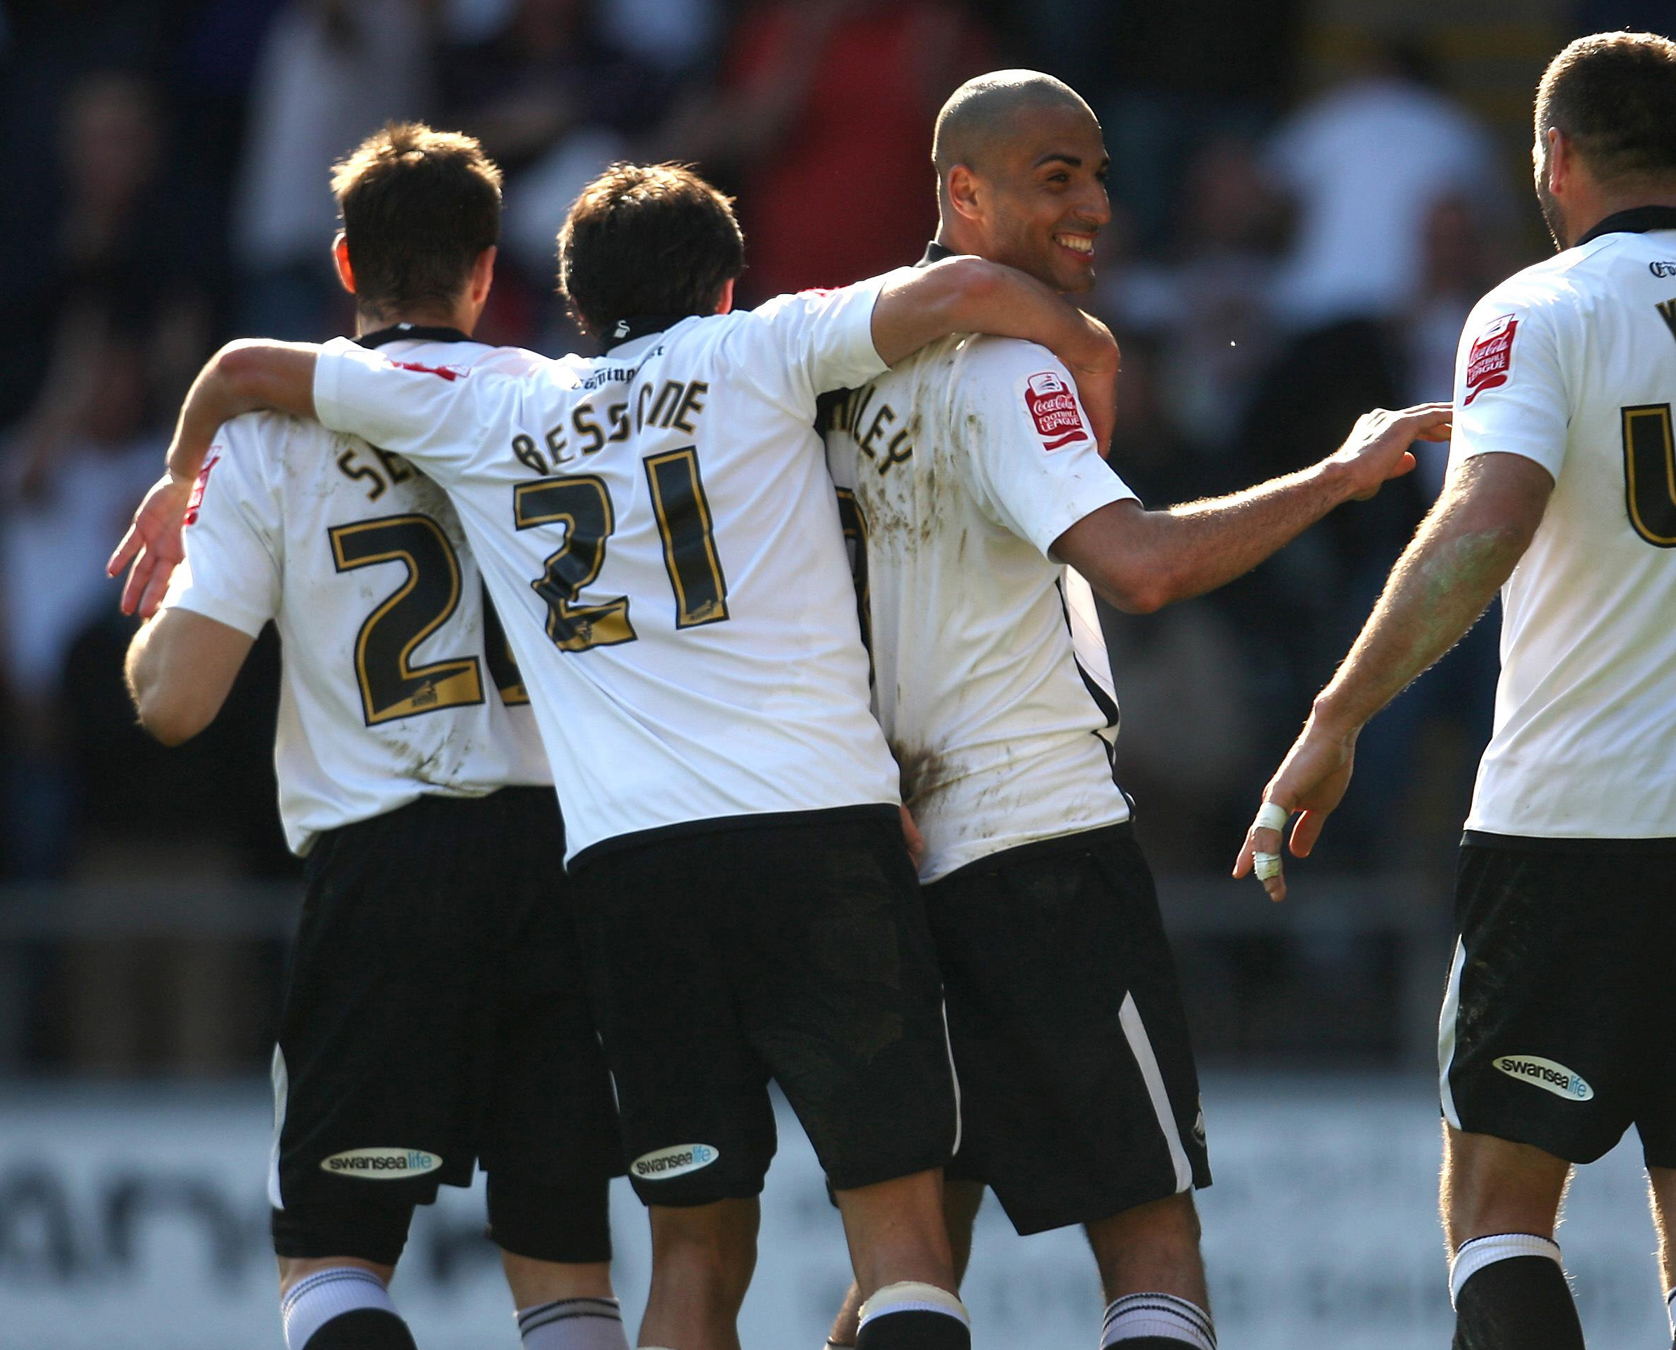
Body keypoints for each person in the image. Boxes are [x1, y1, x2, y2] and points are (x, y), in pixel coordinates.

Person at [112, 159, 1123, 1350]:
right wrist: (1092, 353)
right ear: (492, 273)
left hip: (526, 862)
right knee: (737, 1256)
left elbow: (188, 648)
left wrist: (180, 491)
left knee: (419, 1261)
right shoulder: (666, 369)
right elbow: (940, 308)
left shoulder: (457, 417)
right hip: (685, 842)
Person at [1238, 31, 1676, 1350]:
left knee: (1502, 1208)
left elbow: (1483, 522)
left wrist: (1333, 720)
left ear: (1553, 158)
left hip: (1577, 827)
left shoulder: (1536, 308)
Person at [813, 70, 1447, 1350]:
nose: (1098, 202)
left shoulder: (838, 366)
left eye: (1100, 171)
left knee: (911, 1263)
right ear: (963, 191)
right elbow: (1142, 567)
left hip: (892, 866)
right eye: (1059, 177)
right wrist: (1337, 476)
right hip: (1039, 855)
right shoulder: (1009, 371)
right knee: (1149, 1236)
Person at [120, 124, 626, 1350]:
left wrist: (161, 598)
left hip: (388, 867)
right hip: (574, 862)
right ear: (486, 266)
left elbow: (177, 702)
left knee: (333, 1262)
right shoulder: (567, 405)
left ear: (344, 266)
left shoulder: (269, 435)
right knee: (565, 1268)